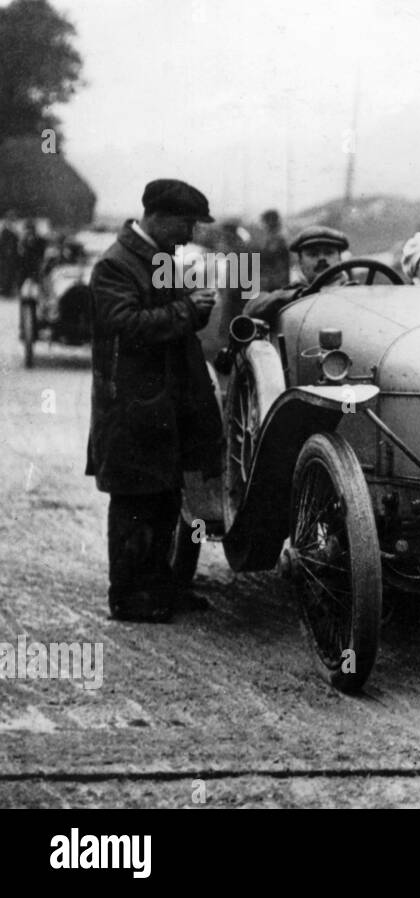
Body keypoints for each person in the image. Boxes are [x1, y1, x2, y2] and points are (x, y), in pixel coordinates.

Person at [85, 179, 222, 623]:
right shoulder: (115, 265)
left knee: (164, 498)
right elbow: (125, 325)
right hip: (132, 406)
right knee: (133, 500)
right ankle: (129, 597)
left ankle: (162, 587)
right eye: (186, 224)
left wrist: (194, 308)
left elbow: (165, 321)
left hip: (160, 404)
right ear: (159, 217)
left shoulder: (156, 259)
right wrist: (188, 311)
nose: (190, 235)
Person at [243, 225, 351, 322]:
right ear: (300, 263)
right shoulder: (295, 293)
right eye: (313, 254)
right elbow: (251, 308)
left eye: (329, 252)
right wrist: (300, 295)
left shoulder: (354, 291)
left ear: (340, 259)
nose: (322, 258)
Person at [259, 209, 291, 291]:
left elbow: (272, 255)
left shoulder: (279, 238)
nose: (264, 225)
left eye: (265, 222)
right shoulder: (270, 237)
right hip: (272, 280)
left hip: (277, 281)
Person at [0, 210, 18, 297]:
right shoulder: (5, 230)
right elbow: (3, 243)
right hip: (6, 257)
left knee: (10, 274)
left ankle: (8, 290)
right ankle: (5, 291)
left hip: (12, 257)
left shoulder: (13, 229)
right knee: (6, 274)